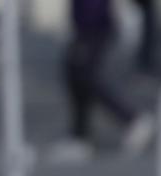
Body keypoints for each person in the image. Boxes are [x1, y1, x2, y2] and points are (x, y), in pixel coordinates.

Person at [49, 0, 154, 164]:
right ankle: (80, 135)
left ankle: (131, 119)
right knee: (78, 75)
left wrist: (87, 25)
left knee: (86, 76)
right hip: (88, 23)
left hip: (93, 25)